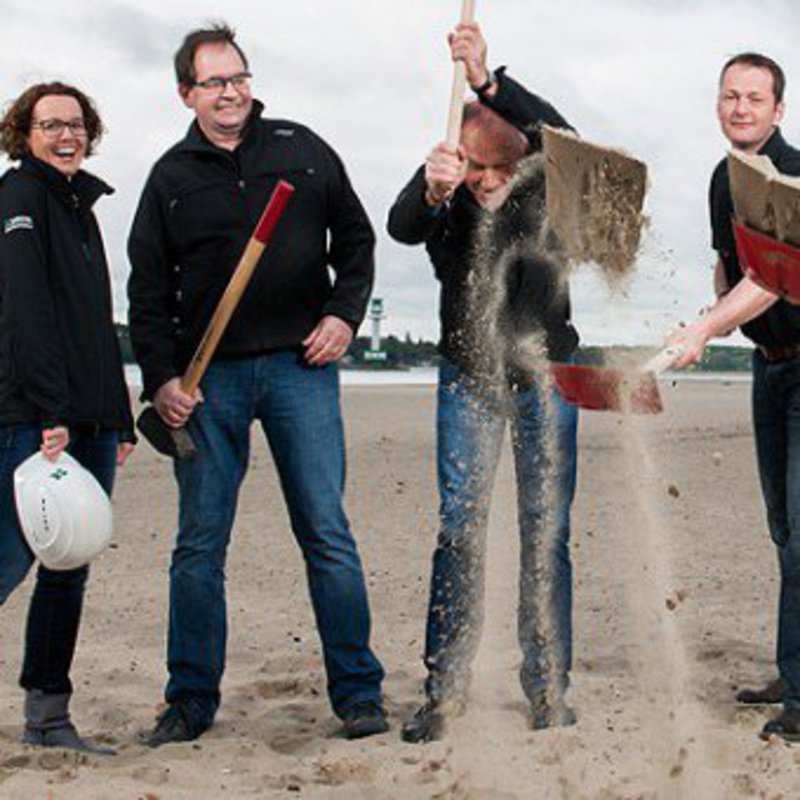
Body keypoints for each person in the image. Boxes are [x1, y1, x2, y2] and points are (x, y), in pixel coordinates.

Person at [127, 23, 386, 746]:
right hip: (208, 382)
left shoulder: (302, 149)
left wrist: (343, 315)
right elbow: (147, 291)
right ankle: (190, 700)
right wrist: (161, 380)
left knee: (326, 533)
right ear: (187, 93)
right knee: (199, 544)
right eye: (214, 82)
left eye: (238, 77)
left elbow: (356, 241)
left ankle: (358, 693)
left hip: (301, 369)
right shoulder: (169, 178)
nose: (231, 92)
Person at [387, 22, 580, 742]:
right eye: (477, 169)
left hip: (545, 379)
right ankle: (444, 690)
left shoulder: (547, 188)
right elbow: (401, 226)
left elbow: (563, 134)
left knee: (545, 534)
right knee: (460, 531)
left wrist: (486, 79)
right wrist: (433, 188)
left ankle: (548, 688)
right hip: (469, 380)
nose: (490, 182)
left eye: (502, 167)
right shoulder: (448, 192)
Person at [667, 53, 800, 742]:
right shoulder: (725, 177)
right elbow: (731, 267)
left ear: (779, 109)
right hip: (767, 369)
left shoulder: (792, 176)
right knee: (784, 531)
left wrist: (706, 329)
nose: (741, 107)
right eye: (730, 96)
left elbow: (773, 277)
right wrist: (709, 315)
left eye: (754, 97)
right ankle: (794, 667)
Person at [0, 82, 135, 753]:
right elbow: (25, 309)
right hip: (34, 415)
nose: (66, 135)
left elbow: (93, 322)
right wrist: (52, 411)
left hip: (90, 416)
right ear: (24, 134)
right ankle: (47, 717)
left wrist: (119, 417)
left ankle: (48, 718)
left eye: (76, 124)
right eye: (50, 124)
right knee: (8, 558)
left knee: (69, 562)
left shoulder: (80, 205)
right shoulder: (19, 197)